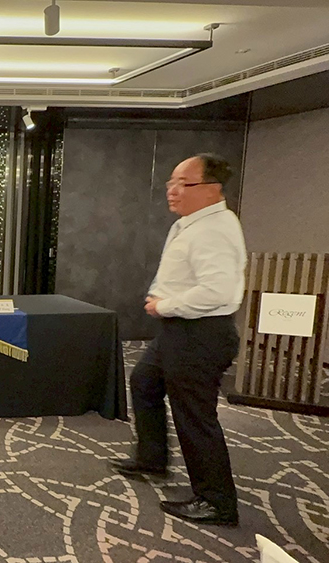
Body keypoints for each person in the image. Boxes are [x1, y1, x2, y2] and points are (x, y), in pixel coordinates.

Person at [111, 153, 246, 526]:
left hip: (200, 334)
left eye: (182, 183)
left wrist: (165, 305)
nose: (172, 190)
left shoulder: (213, 230)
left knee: (195, 417)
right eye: (171, 182)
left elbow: (217, 292)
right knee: (144, 382)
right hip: (179, 329)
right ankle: (152, 459)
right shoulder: (190, 224)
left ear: (212, 189)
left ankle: (217, 501)